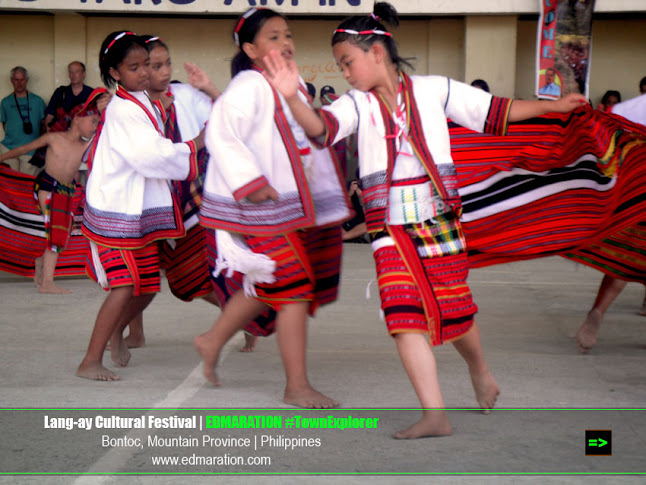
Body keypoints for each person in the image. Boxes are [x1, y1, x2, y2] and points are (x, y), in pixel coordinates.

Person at [264, 1, 587, 437]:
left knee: (454, 312)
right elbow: (320, 128)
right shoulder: (356, 104)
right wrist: (288, 97)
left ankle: (479, 369)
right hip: (388, 230)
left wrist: (553, 108)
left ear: (376, 53)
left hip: (438, 220)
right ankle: (434, 413)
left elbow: (495, 112)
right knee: (402, 318)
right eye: (341, 66)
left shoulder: (435, 90)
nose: (345, 72)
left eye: (348, 62)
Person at [196, 8, 350, 408]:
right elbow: (221, 133)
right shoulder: (248, 84)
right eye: (273, 37)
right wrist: (252, 182)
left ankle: (212, 339)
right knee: (293, 287)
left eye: (288, 35)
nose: (285, 43)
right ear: (249, 48)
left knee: (277, 280)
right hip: (257, 205)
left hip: (290, 203)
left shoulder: (291, 82)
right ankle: (296, 386)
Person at [76, 31, 204, 381]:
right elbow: (152, 157)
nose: (145, 72)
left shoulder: (142, 101)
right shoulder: (123, 110)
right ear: (115, 72)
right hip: (115, 211)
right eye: (135, 67)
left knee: (146, 285)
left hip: (137, 210)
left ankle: (118, 333)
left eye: (147, 64)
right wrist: (195, 145)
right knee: (123, 285)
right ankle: (89, 361)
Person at [108, 35, 221, 350]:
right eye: (151, 65)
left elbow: (229, 116)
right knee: (141, 277)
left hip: (188, 199)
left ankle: (237, 315)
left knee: (187, 276)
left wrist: (210, 88)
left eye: (164, 63)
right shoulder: (133, 105)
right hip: (147, 203)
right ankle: (133, 332)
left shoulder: (186, 95)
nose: (159, 71)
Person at [0, 90, 104, 293]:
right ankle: (46, 283)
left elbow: (107, 136)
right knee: (56, 235)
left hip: (67, 192)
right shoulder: (54, 138)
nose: (95, 127)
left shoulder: (86, 146)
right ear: (77, 119)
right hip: (47, 187)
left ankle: (41, 264)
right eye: (92, 121)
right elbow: (23, 149)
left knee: (59, 236)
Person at [0, 66, 46, 175]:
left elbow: (44, 125)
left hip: (30, 149)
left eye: (22, 80)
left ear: (27, 80)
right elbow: (4, 124)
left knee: (28, 184)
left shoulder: (38, 101)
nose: (19, 83)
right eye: (16, 80)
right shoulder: (5, 102)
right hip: (9, 148)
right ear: (11, 81)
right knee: (10, 184)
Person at [44, 61, 94, 132]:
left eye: (77, 72)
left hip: (84, 137)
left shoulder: (92, 93)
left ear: (84, 74)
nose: (73, 75)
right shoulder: (60, 92)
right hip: (62, 136)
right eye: (71, 72)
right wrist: (50, 134)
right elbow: (49, 116)